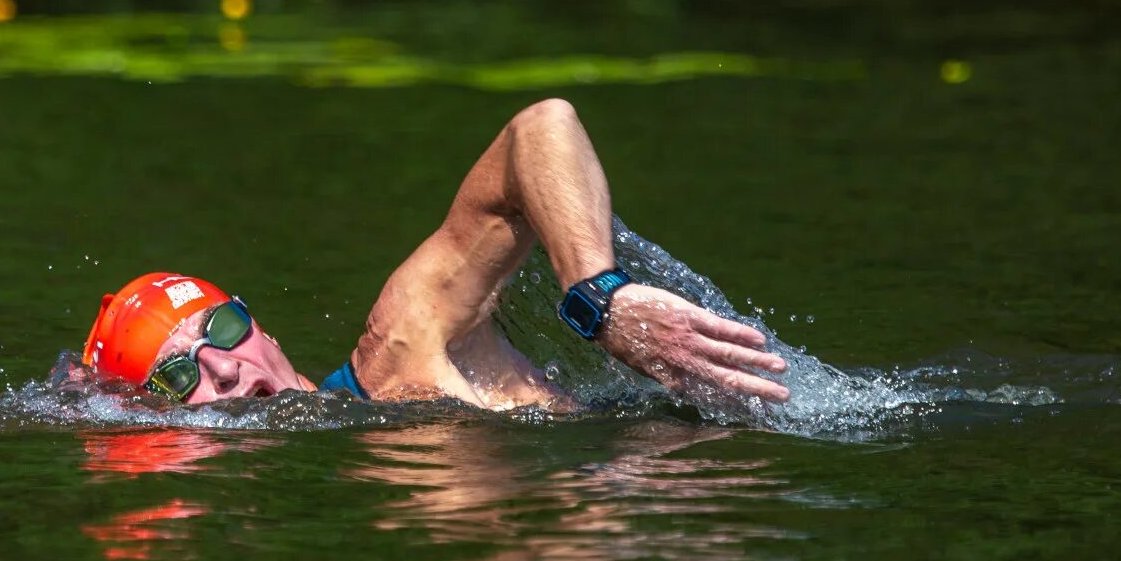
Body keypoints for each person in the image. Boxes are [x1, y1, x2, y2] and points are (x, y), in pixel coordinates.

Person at [79, 98, 790, 411]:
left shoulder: (401, 347)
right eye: (179, 375)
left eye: (225, 332)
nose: (227, 369)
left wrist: (599, 299)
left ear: (264, 329)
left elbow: (539, 132)